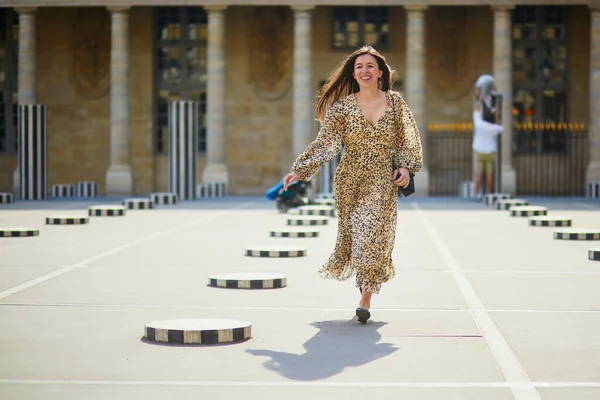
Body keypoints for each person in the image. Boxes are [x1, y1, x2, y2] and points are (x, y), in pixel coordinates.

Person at [282, 46, 423, 323]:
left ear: (380, 72)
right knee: (357, 235)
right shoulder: (343, 108)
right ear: (354, 73)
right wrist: (300, 171)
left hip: (383, 178)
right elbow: (326, 144)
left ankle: (365, 299)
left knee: (375, 236)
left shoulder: (395, 103)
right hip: (350, 179)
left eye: (370, 66)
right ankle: (367, 279)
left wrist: (406, 166)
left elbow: (408, 138)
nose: (365, 71)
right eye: (359, 67)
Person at [472, 74, 504, 197]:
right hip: (490, 150)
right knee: (490, 174)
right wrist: (497, 115)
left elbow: (476, 111)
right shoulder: (493, 128)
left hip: (479, 149)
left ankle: (479, 194)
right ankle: (490, 194)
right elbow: (500, 127)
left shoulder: (479, 124)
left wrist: (479, 101)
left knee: (479, 173)